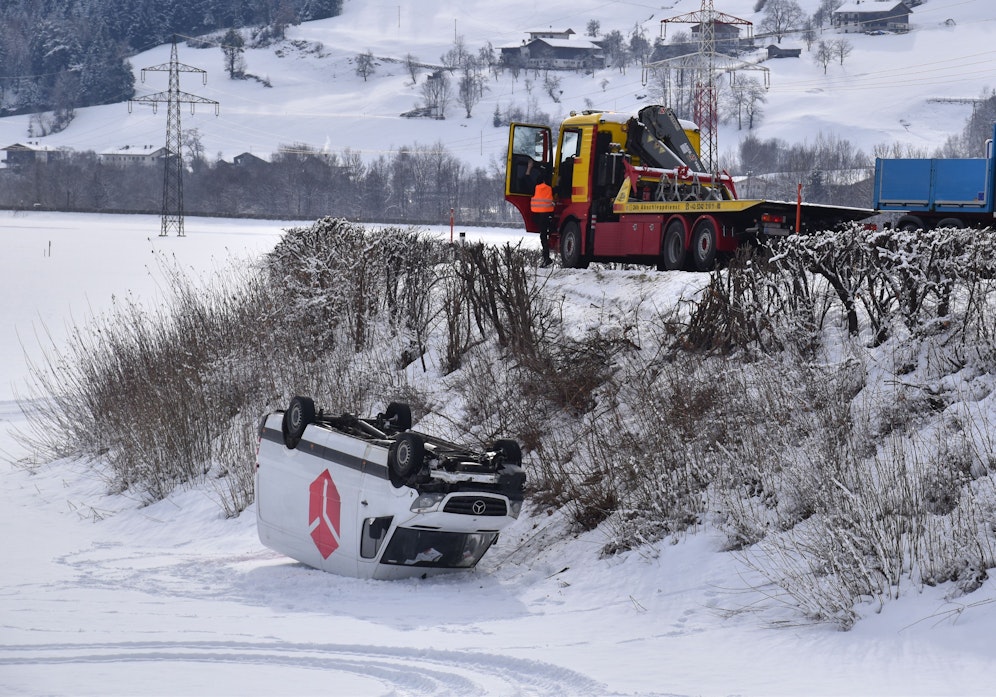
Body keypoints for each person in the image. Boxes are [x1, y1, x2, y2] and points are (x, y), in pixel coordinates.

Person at [529, 166, 554, 267]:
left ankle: (546, 258)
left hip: (537, 217)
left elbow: (526, 179)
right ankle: (546, 258)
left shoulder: (534, 188)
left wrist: (529, 169)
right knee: (547, 234)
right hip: (548, 216)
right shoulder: (550, 189)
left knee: (543, 236)